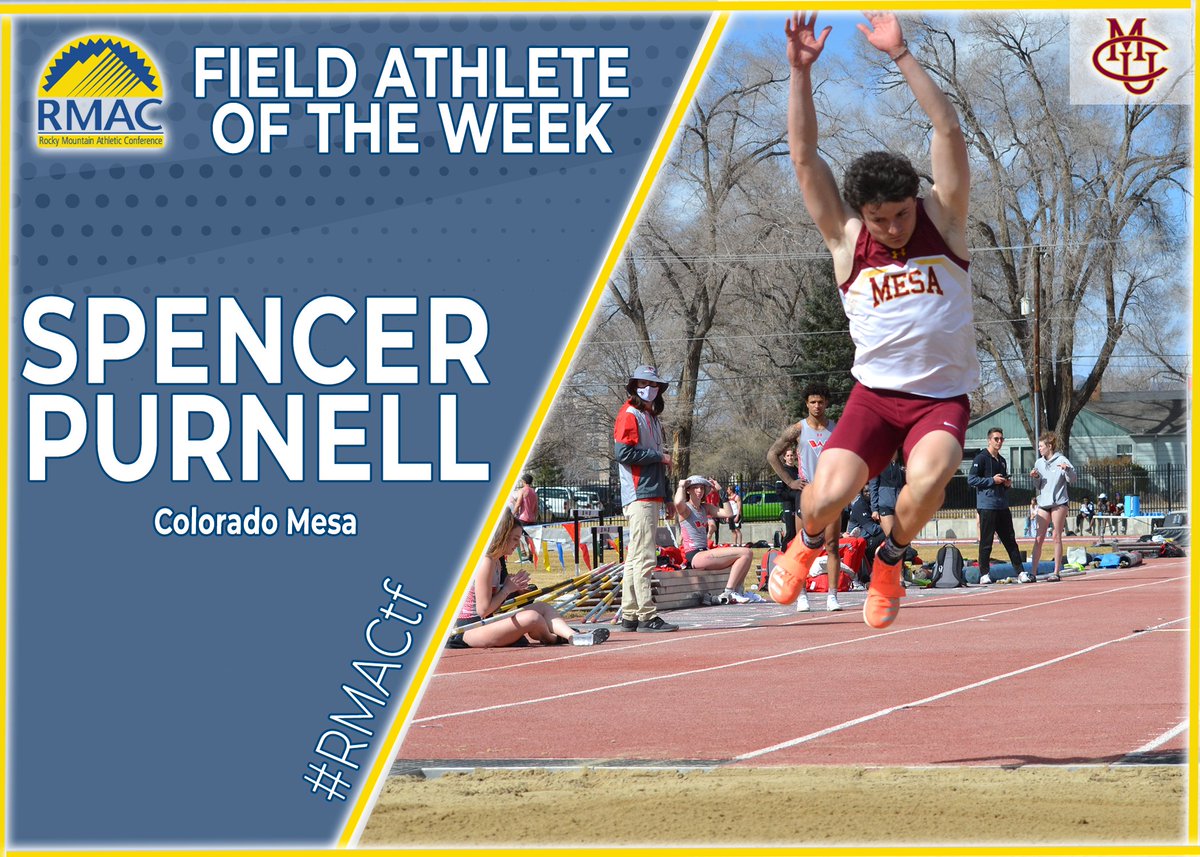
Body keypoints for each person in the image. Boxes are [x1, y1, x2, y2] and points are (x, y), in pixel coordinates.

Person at [772, 11, 979, 629]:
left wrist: (902, 54)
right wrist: (800, 74)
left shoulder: (943, 220)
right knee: (826, 496)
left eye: (899, 215)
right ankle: (806, 543)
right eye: (879, 218)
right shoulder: (847, 240)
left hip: (939, 397)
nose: (891, 228)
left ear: (915, 201)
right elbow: (806, 158)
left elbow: (947, 127)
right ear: (863, 212)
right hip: (874, 397)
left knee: (933, 477)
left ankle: (890, 559)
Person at [448, 509, 610, 648]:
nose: (517, 545)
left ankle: (575, 636)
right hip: (470, 629)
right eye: (515, 539)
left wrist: (517, 590)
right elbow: (482, 611)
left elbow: (496, 602)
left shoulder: (498, 561)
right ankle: (553, 638)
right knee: (532, 618)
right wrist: (507, 589)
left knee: (542, 607)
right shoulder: (486, 561)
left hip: (488, 623)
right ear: (501, 536)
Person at [767, 382, 843, 613]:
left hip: (829, 494)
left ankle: (832, 596)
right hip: (807, 494)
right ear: (806, 404)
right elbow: (772, 454)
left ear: (827, 403)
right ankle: (802, 596)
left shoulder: (837, 428)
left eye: (820, 401)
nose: (817, 406)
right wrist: (790, 482)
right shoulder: (797, 430)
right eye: (812, 402)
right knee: (804, 547)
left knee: (832, 546)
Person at [613, 365, 677, 632]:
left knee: (636, 556)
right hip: (639, 493)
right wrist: (659, 457)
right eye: (643, 384)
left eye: (653, 385)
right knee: (644, 557)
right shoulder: (630, 415)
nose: (649, 389)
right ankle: (647, 615)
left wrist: (669, 496)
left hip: (651, 493)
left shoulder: (651, 418)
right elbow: (624, 454)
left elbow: (660, 462)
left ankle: (630, 614)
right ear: (634, 386)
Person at [674, 476, 759, 603]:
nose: (699, 490)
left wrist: (721, 493)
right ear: (688, 490)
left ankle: (738, 591)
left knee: (747, 554)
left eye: (702, 488)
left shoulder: (705, 508)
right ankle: (729, 592)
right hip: (696, 556)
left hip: (705, 552)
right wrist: (681, 486)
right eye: (695, 487)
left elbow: (728, 514)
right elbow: (677, 503)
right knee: (745, 552)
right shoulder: (686, 509)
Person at [968, 427, 1030, 583]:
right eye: (996, 439)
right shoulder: (981, 458)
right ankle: (984, 574)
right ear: (989, 440)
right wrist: (991, 480)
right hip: (987, 506)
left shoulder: (1002, 461)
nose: (999, 442)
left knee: (1010, 541)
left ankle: (1021, 572)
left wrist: (1006, 484)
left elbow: (1001, 483)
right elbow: (971, 480)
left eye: (1001, 439)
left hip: (1002, 505)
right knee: (986, 542)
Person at [1030, 431, 1075, 581]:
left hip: (1058, 503)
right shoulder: (1039, 463)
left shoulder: (1061, 459)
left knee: (1056, 536)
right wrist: (1035, 477)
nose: (1039, 449)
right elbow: (1038, 484)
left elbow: (1072, 479)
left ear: (1049, 446)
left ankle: (1056, 572)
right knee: (1038, 537)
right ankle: (1033, 572)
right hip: (1043, 503)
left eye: (1041, 446)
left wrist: (1066, 469)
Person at [867, 450, 905, 536]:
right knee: (892, 538)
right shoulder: (879, 463)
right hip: (885, 507)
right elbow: (873, 487)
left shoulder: (901, 464)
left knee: (903, 541)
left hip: (900, 507)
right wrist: (875, 509)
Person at [775, 447, 802, 549]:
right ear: (784, 458)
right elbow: (780, 492)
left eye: (792, 455)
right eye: (788, 456)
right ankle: (784, 553)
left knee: (799, 533)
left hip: (799, 505)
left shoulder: (798, 471)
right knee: (790, 532)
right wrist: (794, 495)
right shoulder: (782, 472)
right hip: (789, 505)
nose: (790, 457)